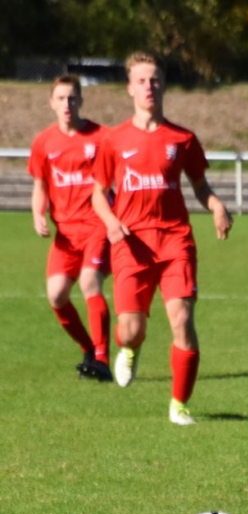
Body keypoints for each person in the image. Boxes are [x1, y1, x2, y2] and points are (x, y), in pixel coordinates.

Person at [91, 51, 233, 426]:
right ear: (129, 88)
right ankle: (129, 347)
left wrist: (217, 206)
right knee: (131, 330)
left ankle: (179, 405)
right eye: (141, 80)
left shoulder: (183, 138)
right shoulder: (114, 140)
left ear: (164, 84)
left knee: (182, 321)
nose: (148, 86)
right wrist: (110, 222)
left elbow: (200, 186)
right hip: (131, 244)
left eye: (154, 79)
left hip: (175, 241)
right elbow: (98, 193)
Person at [28, 75, 113, 382]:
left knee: (90, 281)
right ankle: (89, 349)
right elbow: (40, 185)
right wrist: (38, 213)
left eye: (72, 98)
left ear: (81, 101)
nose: (67, 104)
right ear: (51, 103)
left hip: (97, 226)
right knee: (56, 295)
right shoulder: (44, 142)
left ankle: (102, 359)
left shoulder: (102, 137)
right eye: (61, 98)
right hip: (66, 234)